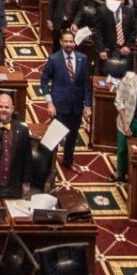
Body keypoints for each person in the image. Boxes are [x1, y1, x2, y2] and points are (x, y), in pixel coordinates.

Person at [39, 27, 93, 169]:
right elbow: (43, 81)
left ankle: (68, 161)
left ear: (74, 43)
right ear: (61, 42)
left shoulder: (83, 58)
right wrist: (49, 103)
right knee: (54, 136)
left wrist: (87, 105)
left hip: (76, 106)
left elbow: (87, 83)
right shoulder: (54, 59)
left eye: (71, 41)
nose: (69, 44)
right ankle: (45, 165)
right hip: (59, 105)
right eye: (66, 42)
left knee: (73, 136)